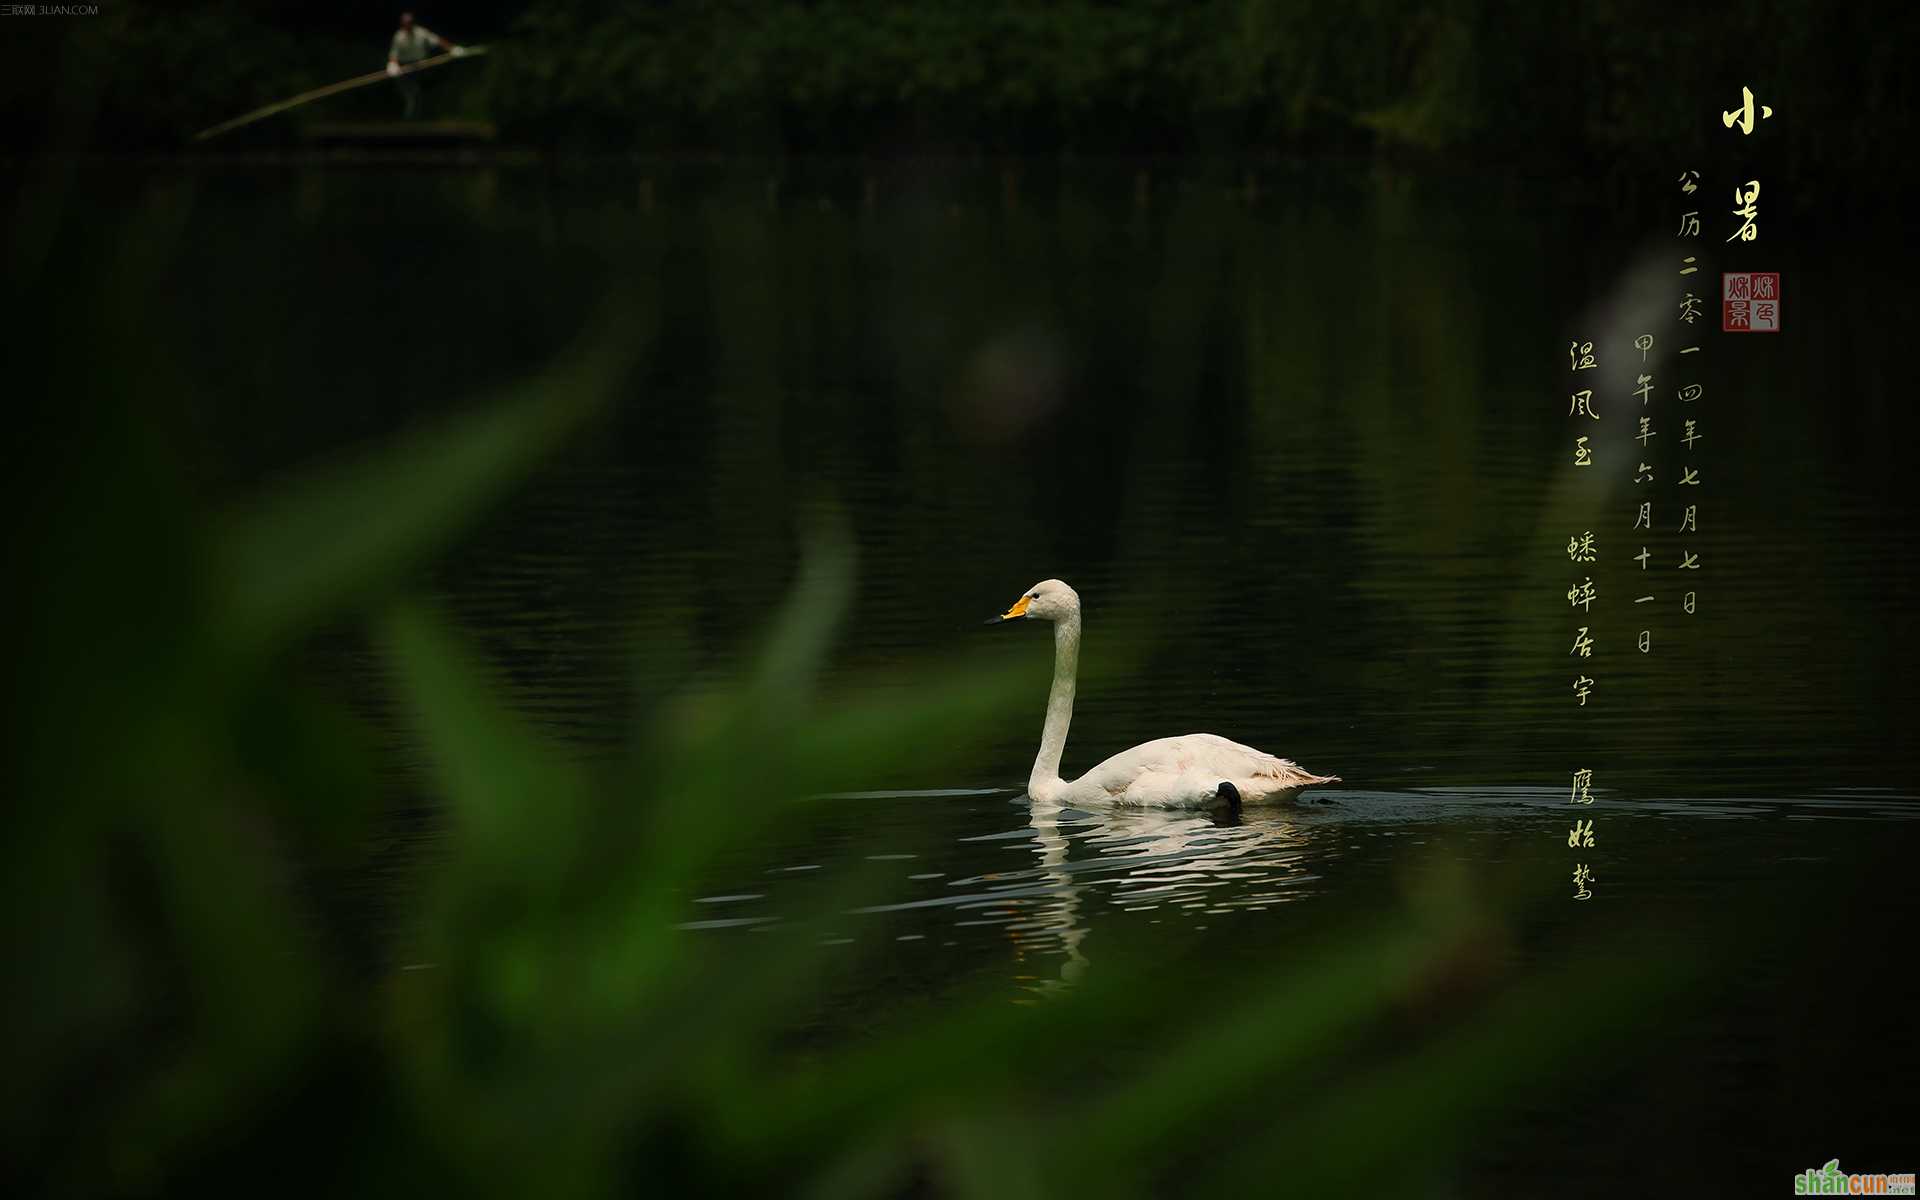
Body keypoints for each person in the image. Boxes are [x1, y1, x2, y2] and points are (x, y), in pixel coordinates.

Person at [385, 12, 465, 119]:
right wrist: (392, 64)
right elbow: (394, 54)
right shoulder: (399, 36)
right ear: (402, 24)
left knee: (423, 91)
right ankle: (410, 117)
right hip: (405, 68)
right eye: (405, 23)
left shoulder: (421, 32)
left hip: (421, 65)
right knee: (411, 93)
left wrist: (452, 49)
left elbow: (437, 41)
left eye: (410, 22)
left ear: (413, 23)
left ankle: (421, 115)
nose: (408, 25)